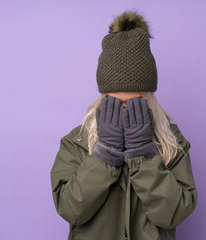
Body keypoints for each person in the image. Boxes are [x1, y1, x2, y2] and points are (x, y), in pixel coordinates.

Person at [50, 10, 197, 240]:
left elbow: (174, 212)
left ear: (147, 99)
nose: (124, 111)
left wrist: (144, 156)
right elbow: (70, 209)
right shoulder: (76, 143)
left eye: (133, 102)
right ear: (102, 98)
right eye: (115, 102)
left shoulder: (171, 144)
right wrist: (104, 156)